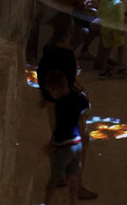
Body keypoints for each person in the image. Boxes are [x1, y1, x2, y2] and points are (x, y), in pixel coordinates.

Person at [41, 69, 94, 204]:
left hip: (62, 146)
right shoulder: (77, 99)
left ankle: (47, 202)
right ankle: (73, 202)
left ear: (57, 90)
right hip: (76, 144)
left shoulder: (60, 105)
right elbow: (87, 107)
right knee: (73, 178)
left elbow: (59, 130)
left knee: (54, 179)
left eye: (51, 92)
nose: (51, 95)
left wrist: (50, 146)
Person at [96, 0, 127, 77]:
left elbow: (99, 14)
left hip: (105, 29)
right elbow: (121, 20)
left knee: (106, 51)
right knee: (121, 48)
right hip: (116, 31)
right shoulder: (119, 5)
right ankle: (122, 66)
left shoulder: (103, 2)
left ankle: (103, 71)